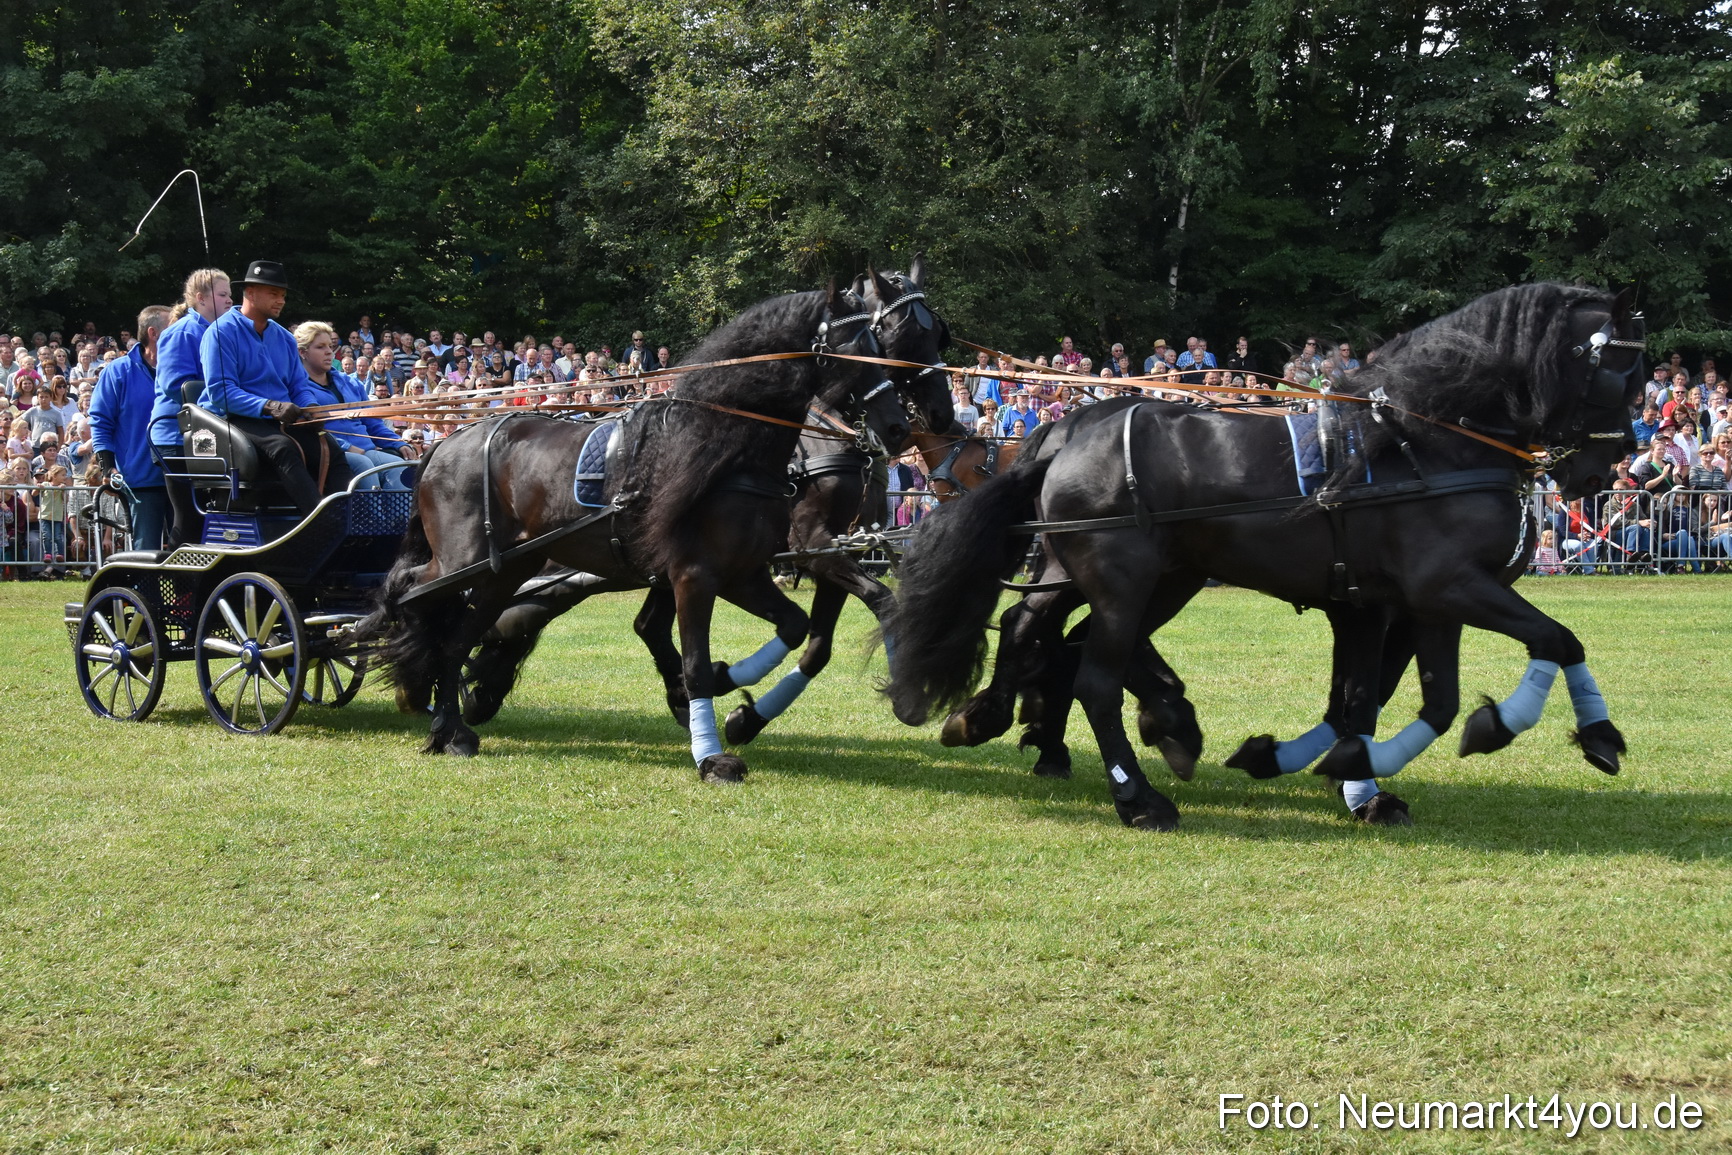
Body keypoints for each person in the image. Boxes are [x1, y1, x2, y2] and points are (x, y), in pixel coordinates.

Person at [198, 260, 350, 516]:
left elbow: (298, 385)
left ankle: (349, 517)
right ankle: (320, 522)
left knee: (330, 447)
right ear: (250, 293)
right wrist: (269, 406)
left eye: (282, 295)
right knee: (283, 448)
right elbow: (221, 392)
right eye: (274, 294)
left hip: (278, 418)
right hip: (233, 419)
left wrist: (310, 408)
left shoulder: (284, 338)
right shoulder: (220, 333)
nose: (281, 300)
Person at [151, 268, 232, 547]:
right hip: (176, 437)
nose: (230, 300)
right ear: (200, 298)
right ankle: (179, 585)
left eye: (230, 295)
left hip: (207, 434)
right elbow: (177, 386)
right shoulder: (182, 332)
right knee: (188, 516)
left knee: (210, 515)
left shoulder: (219, 333)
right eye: (222, 294)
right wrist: (222, 399)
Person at [89, 303, 175, 550]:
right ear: (153, 333)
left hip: (182, 476)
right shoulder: (118, 372)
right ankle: (143, 590)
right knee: (145, 549)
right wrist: (108, 467)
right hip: (141, 480)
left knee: (189, 549)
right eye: (173, 327)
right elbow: (100, 421)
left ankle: (187, 591)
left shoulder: (183, 370)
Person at [292, 321, 410, 491]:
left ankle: (399, 517)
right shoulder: (298, 389)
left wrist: (398, 442)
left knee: (400, 465)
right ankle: (369, 517)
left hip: (365, 451)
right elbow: (309, 432)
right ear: (303, 352)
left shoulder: (351, 383)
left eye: (330, 346)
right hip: (333, 453)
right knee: (364, 464)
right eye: (320, 347)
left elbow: (372, 422)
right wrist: (348, 447)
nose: (329, 352)